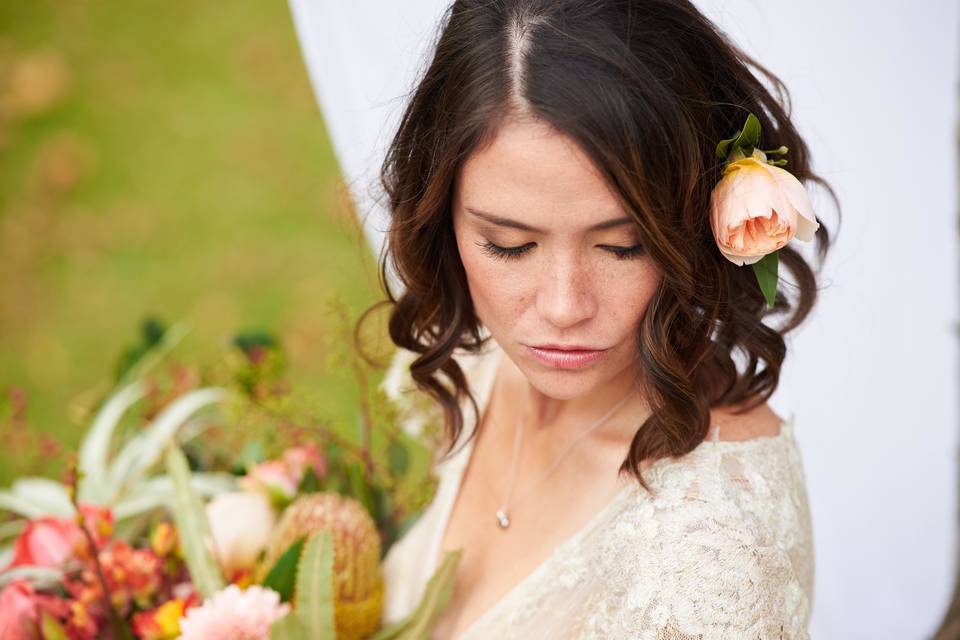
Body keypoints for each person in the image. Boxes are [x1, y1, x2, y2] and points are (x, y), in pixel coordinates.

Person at [360, 0, 838, 637]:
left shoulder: (712, 553)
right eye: (508, 244)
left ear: (702, 222)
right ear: (440, 214)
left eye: (623, 246)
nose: (562, 307)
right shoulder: (475, 360)